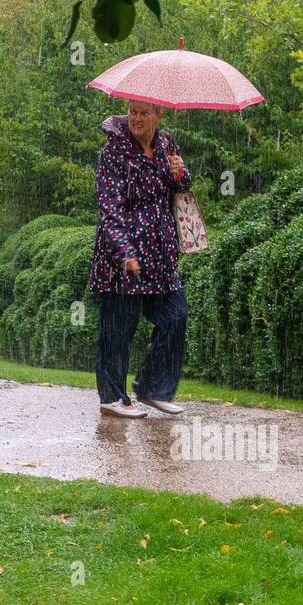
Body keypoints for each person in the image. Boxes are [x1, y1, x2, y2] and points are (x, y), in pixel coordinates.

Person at [87, 99, 191, 418]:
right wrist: (124, 252)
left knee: (175, 315)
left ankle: (153, 389)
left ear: (159, 115)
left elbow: (179, 192)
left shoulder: (166, 144)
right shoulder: (113, 152)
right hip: (123, 258)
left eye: (144, 113)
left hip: (159, 256)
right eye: (133, 112)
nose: (137, 118)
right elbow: (110, 208)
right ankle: (112, 397)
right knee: (118, 330)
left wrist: (181, 174)